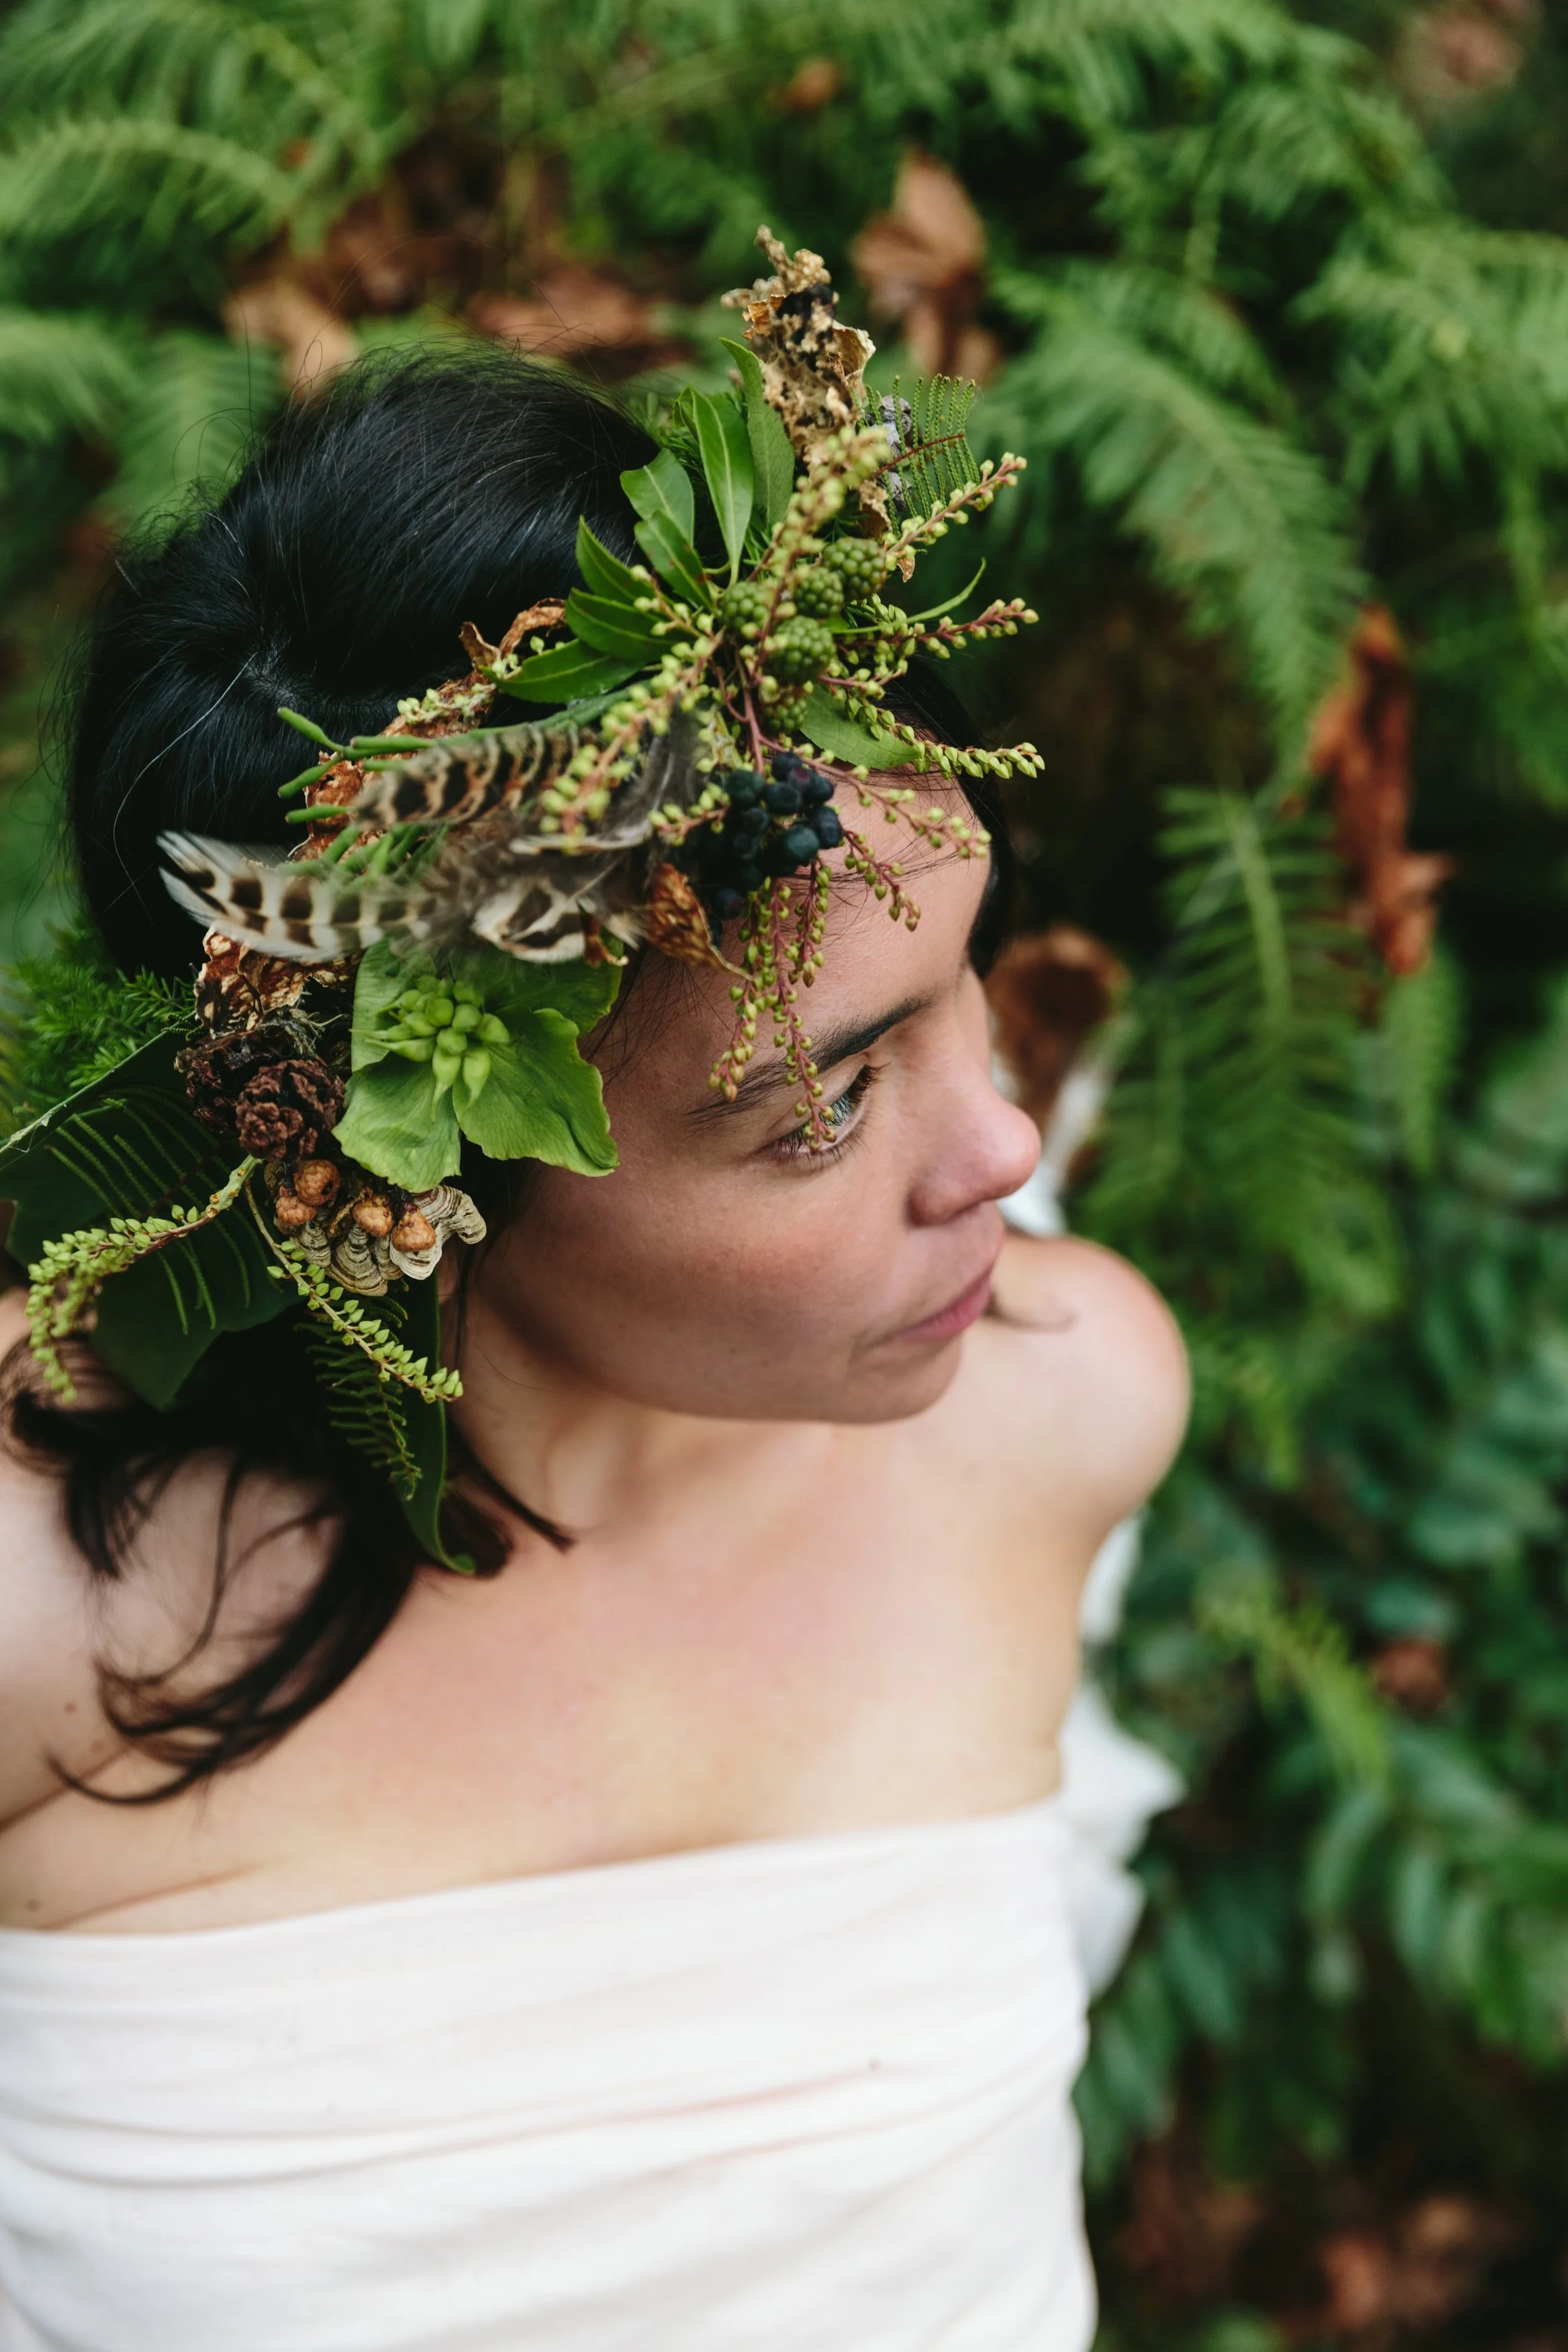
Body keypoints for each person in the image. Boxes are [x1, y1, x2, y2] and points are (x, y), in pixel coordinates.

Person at [0, 341, 1187, 2351]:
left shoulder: (1053, 1409)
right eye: (822, 1101)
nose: (1004, 1146)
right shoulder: (48, 1598)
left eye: (964, 976)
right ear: (400, 1161)